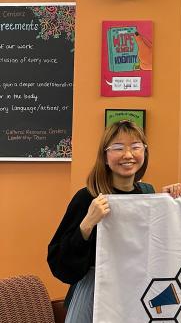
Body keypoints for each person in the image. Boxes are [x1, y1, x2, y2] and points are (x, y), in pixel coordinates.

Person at [47, 120, 155, 323]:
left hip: (135, 291)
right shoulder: (87, 197)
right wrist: (87, 224)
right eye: (118, 148)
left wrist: (174, 198)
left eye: (135, 147)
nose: (128, 155)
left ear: (144, 153)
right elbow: (59, 263)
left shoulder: (148, 194)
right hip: (95, 292)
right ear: (105, 156)